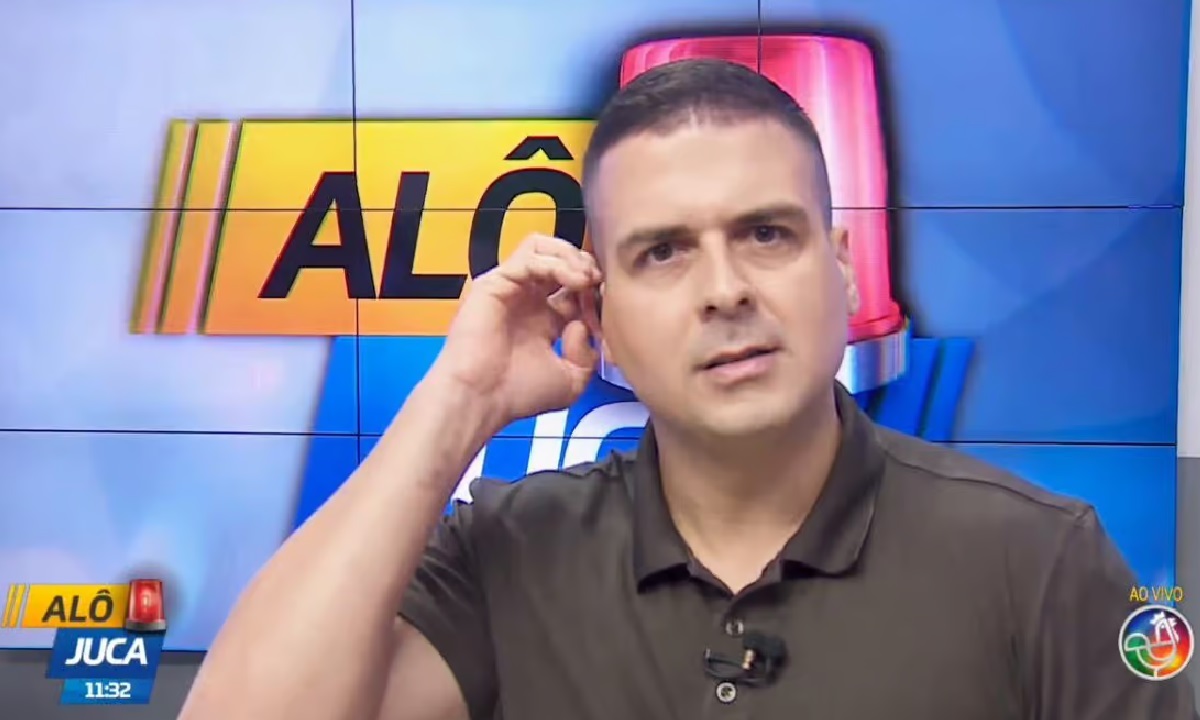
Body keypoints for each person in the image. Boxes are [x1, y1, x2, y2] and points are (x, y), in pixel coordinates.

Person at [178, 59, 1199, 719]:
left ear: (844, 272)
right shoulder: (506, 552)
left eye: (767, 233)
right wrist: (459, 399)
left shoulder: (1039, 558)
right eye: (663, 252)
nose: (725, 290)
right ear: (602, 315)